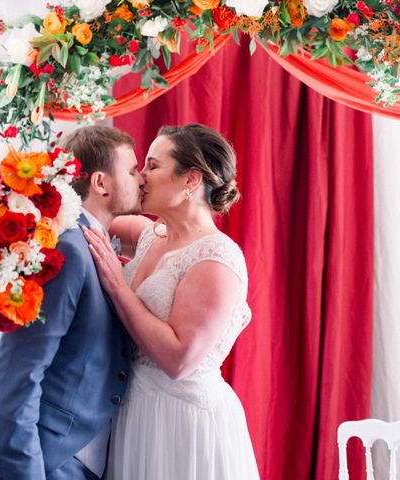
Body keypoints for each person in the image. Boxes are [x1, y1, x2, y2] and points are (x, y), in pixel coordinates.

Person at [0, 125, 145, 480]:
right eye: (133, 170)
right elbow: (15, 378)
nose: (141, 180)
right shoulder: (66, 251)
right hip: (46, 459)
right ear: (101, 184)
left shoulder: (96, 246)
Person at [83, 123, 260, 479]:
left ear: (190, 180)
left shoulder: (216, 258)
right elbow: (91, 217)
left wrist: (118, 287)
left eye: (152, 166)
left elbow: (179, 360)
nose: (141, 177)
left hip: (181, 423)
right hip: (134, 413)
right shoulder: (152, 235)